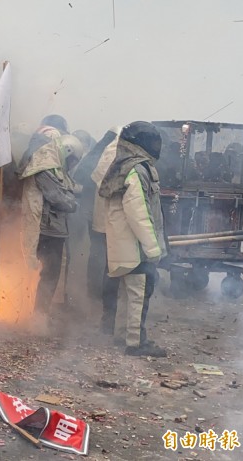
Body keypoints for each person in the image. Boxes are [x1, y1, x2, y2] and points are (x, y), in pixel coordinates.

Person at [99, 121, 167, 357]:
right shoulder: (137, 169)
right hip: (135, 246)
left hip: (124, 244)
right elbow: (139, 212)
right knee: (139, 294)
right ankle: (136, 343)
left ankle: (122, 335)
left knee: (127, 293)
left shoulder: (124, 165)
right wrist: (153, 248)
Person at [17, 134, 83, 326]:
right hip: (47, 228)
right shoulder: (45, 165)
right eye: (72, 160)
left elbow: (66, 186)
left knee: (50, 273)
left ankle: (41, 314)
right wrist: (74, 204)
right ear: (68, 151)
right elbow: (57, 197)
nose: (71, 164)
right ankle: (39, 317)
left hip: (51, 226)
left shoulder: (51, 162)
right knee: (49, 273)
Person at [84, 128, 122, 332]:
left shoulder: (102, 154)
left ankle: (93, 299)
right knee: (111, 268)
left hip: (99, 221)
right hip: (114, 224)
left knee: (99, 260)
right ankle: (107, 316)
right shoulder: (120, 155)